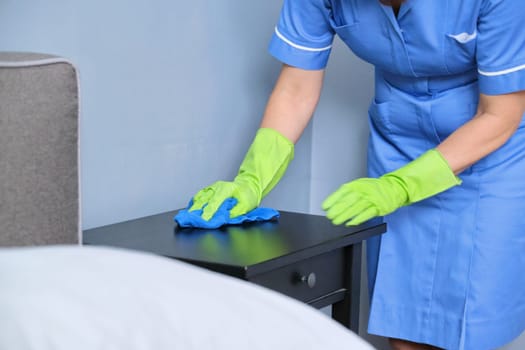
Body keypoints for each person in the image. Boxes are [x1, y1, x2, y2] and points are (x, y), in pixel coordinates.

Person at [188, 0, 525, 349]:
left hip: (489, 152)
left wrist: (402, 187)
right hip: (399, 143)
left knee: (473, 324)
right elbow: (295, 89)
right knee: (404, 319)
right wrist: (252, 178)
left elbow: (500, 114)